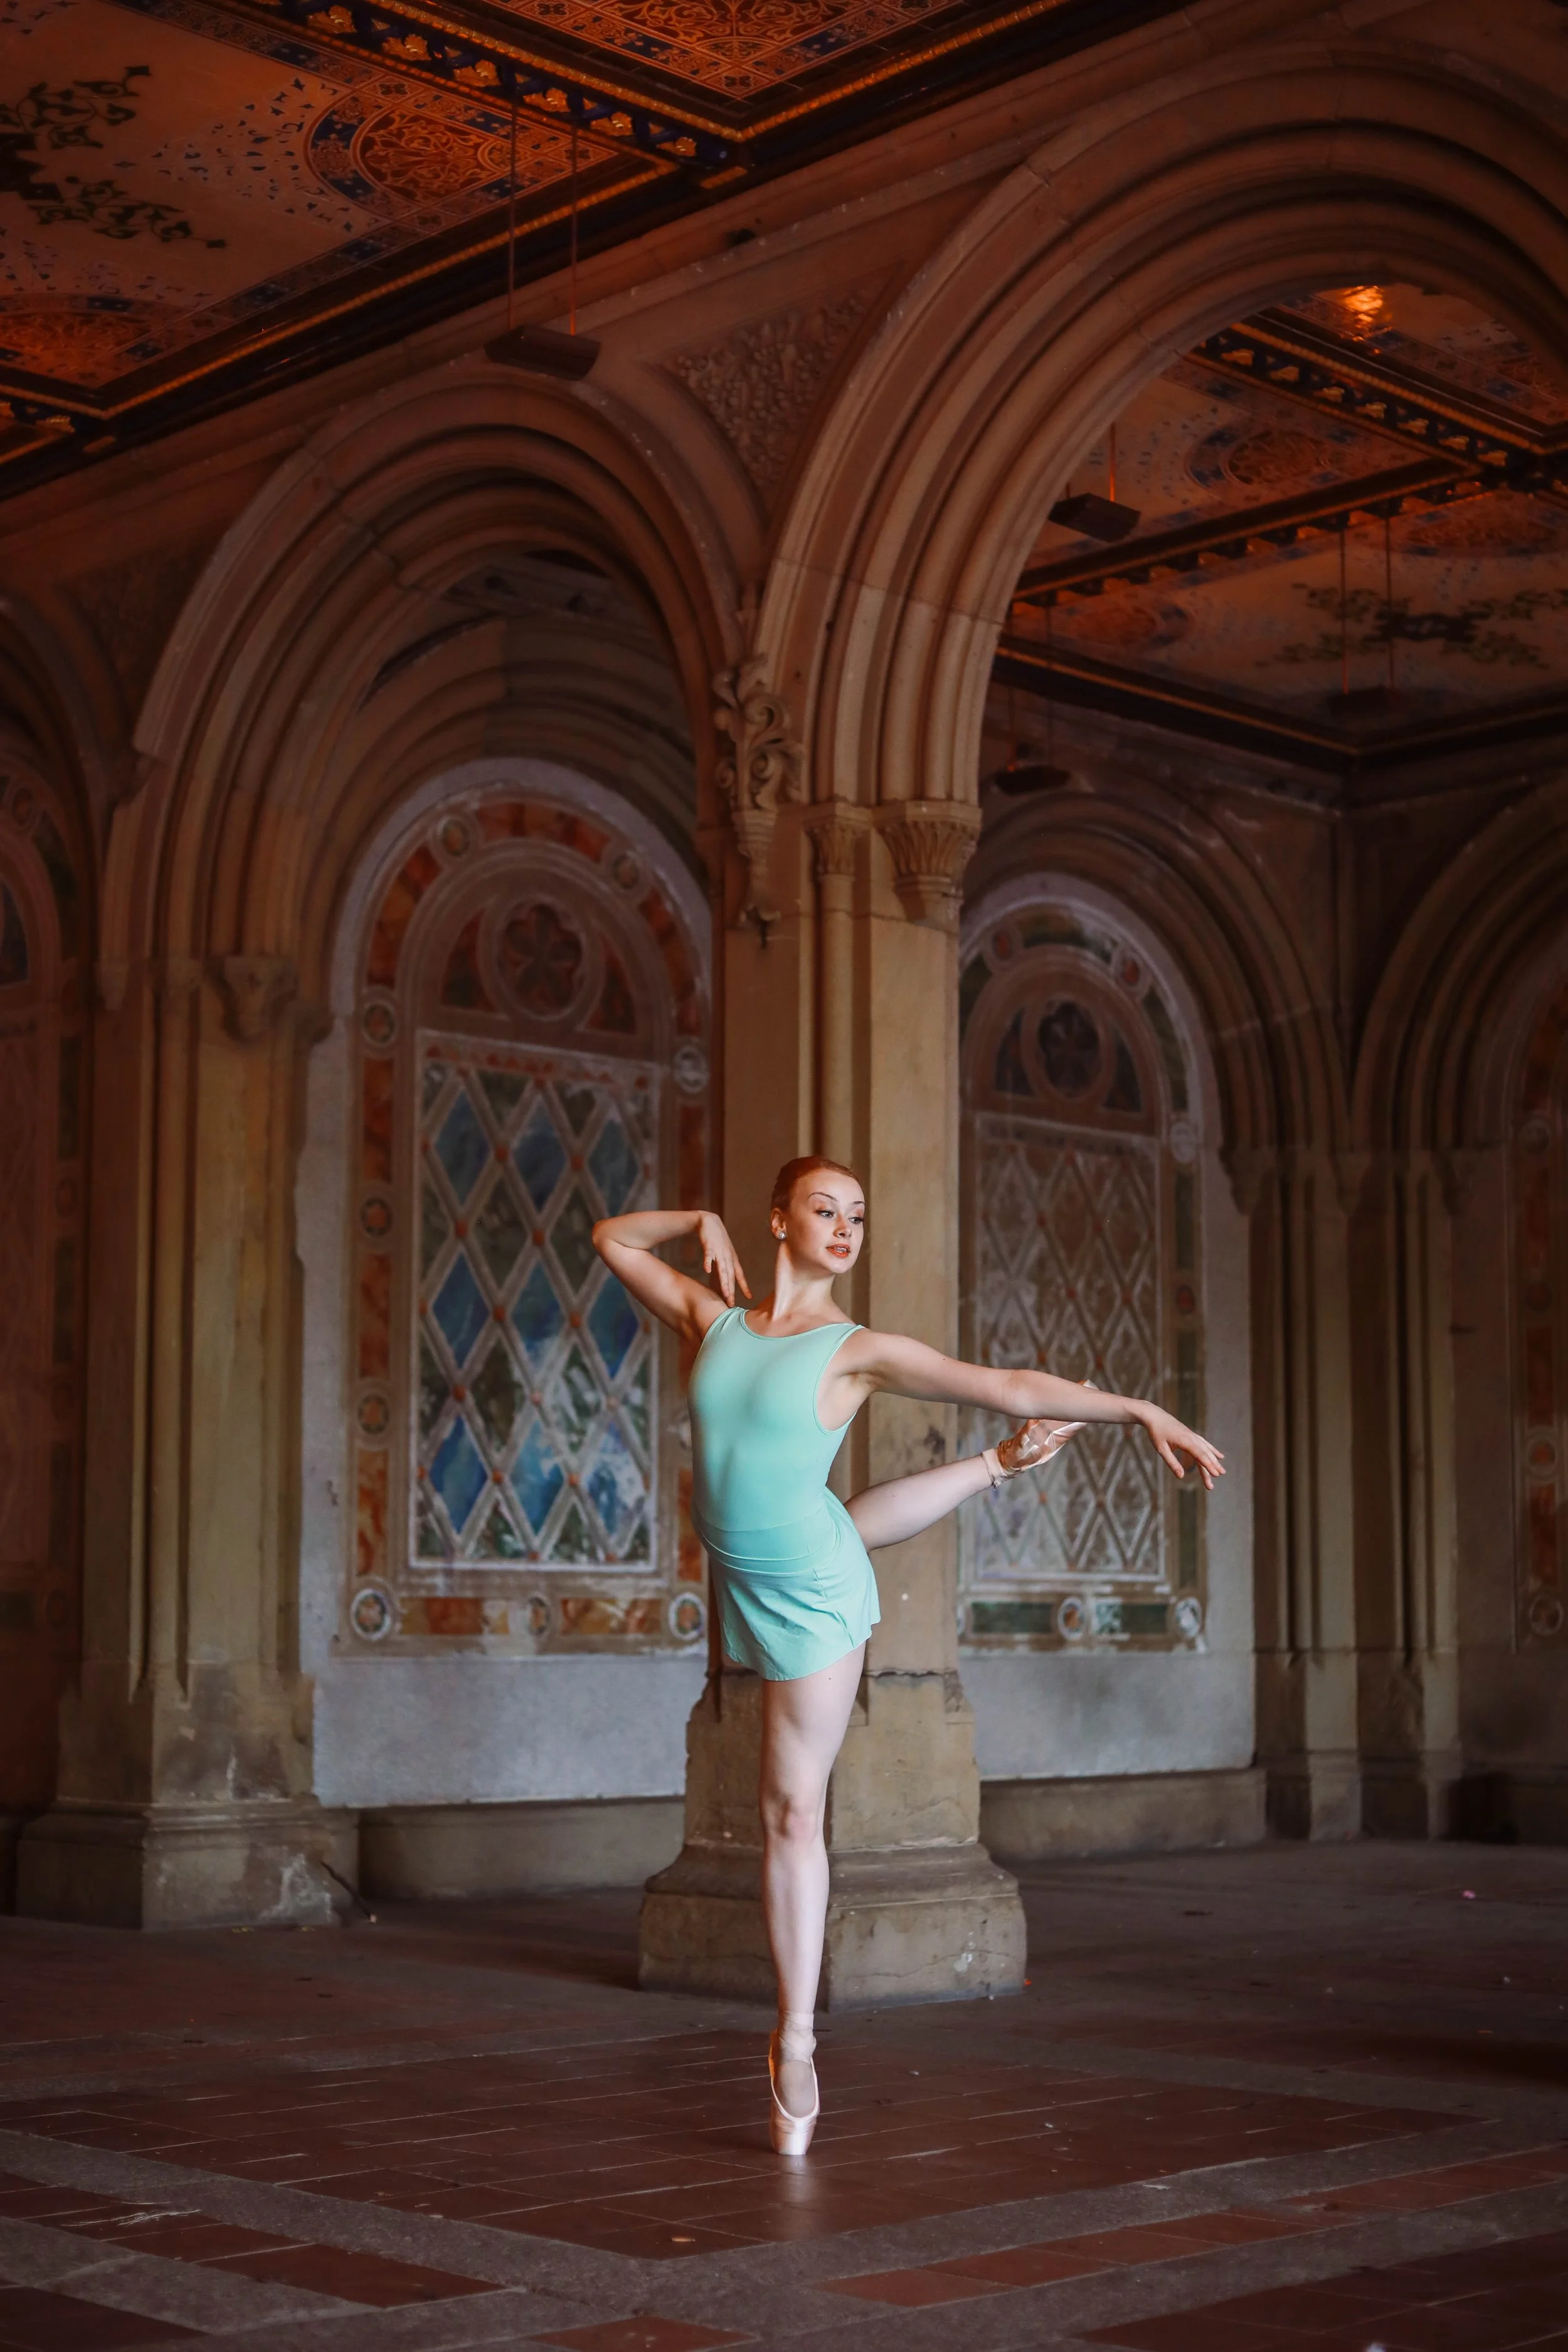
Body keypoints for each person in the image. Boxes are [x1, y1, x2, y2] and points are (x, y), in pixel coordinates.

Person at [592, 1155, 1224, 2154]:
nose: (845, 1228)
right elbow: (611, 1239)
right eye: (824, 1209)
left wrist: (1140, 1409)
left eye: (858, 1217)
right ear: (778, 1217)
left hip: (817, 1600)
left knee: (790, 1811)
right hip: (763, 1568)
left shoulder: (854, 1349)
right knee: (839, 1522)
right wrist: (698, 1215)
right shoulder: (712, 1321)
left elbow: (1004, 1380)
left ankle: (794, 2039)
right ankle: (991, 1470)